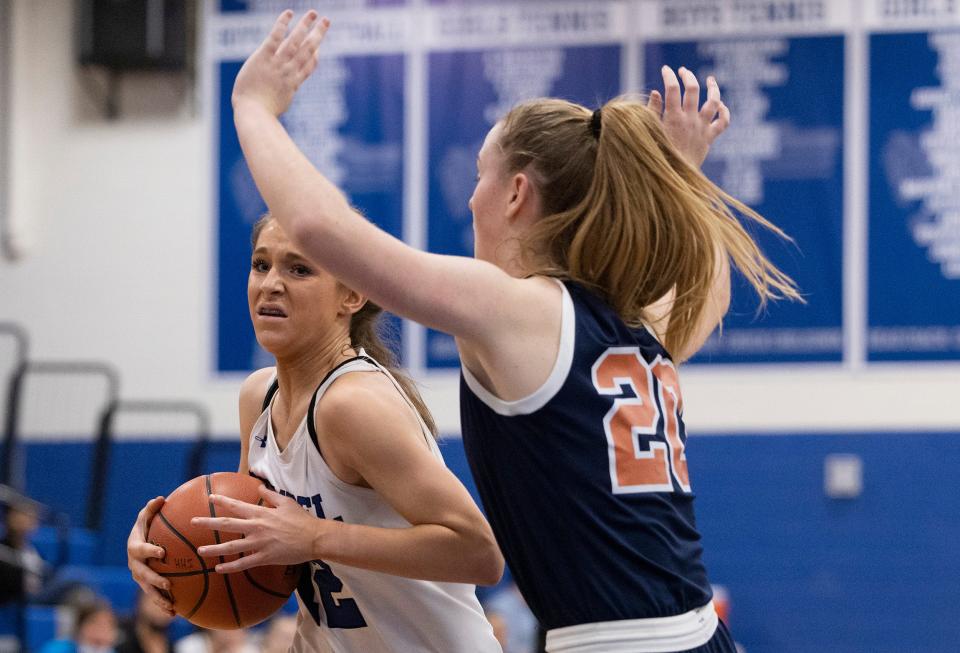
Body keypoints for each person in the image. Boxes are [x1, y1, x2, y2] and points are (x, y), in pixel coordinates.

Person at [210, 10, 802, 653]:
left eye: (479, 173)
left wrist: (254, 106)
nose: (470, 198)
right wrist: (684, 173)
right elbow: (707, 295)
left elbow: (323, 230)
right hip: (702, 634)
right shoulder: (628, 317)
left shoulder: (516, 309)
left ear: (516, 192)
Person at [127, 212, 505, 651]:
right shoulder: (258, 398)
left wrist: (314, 537)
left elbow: (480, 553)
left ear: (352, 293)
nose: (270, 284)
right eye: (261, 264)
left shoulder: (352, 405)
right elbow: (250, 554)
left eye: (299, 269)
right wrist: (164, 554)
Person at [38, 596, 117, 653]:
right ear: (79, 627)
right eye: (94, 624)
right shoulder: (56, 649)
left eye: (107, 626)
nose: (100, 632)